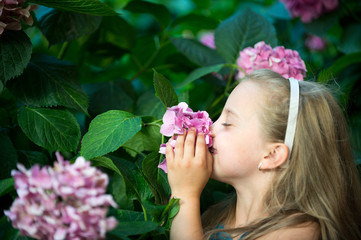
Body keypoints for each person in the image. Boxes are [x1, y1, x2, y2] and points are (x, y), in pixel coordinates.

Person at [165, 69, 361, 240]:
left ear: (272, 155)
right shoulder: (217, 215)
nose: (209, 128)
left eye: (227, 123)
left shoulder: (296, 232)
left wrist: (185, 196)